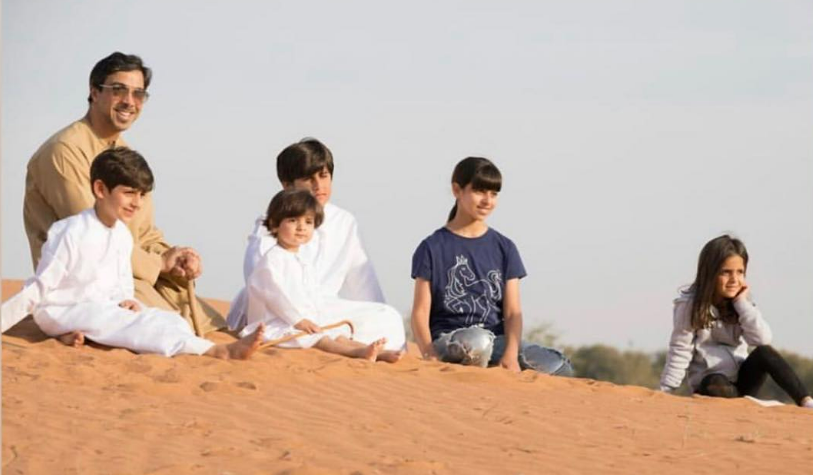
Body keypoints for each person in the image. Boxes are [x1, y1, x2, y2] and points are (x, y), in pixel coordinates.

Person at [22, 52, 225, 334]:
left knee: (217, 328)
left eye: (138, 93)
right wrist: (158, 263)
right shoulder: (64, 151)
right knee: (173, 333)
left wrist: (173, 257)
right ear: (94, 92)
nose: (130, 101)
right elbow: (95, 236)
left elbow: (144, 232)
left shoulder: (124, 155)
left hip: (137, 274)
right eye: (118, 90)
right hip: (90, 286)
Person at [3, 148, 263, 359]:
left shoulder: (121, 234)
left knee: (168, 319)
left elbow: (121, 282)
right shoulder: (69, 231)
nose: (137, 203)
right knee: (132, 326)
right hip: (61, 309)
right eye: (129, 193)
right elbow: (39, 289)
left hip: (102, 308)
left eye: (141, 195)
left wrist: (128, 300)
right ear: (100, 189)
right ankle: (217, 351)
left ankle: (77, 335)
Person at [227, 138, 405, 351]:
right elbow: (262, 281)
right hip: (277, 311)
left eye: (323, 175)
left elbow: (364, 282)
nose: (319, 186)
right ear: (287, 185)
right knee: (289, 326)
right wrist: (297, 317)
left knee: (388, 317)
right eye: (308, 178)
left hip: (323, 308)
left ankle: (353, 345)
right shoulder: (274, 221)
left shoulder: (344, 221)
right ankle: (337, 342)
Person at [409, 157, 573, 375]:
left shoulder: (505, 247)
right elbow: (420, 312)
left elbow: (513, 312)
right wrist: (429, 354)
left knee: (558, 366)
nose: (487, 200)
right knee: (477, 341)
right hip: (452, 341)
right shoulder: (431, 247)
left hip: (497, 342)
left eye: (494, 194)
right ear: (457, 190)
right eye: (479, 191)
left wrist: (511, 355)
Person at [241, 189, 403, 362]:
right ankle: (356, 353)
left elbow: (312, 294)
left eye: (308, 222)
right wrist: (298, 320)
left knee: (336, 334)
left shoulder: (302, 259)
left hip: (304, 320)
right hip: (277, 323)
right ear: (274, 224)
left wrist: (317, 317)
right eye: (293, 220)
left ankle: (372, 351)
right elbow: (275, 297)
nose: (301, 227)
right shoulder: (272, 260)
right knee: (318, 338)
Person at [660, 235, 813, 408]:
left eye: (740, 272)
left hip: (742, 382)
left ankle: (806, 402)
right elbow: (680, 350)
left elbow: (762, 339)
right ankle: (748, 404)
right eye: (726, 272)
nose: (734, 279)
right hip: (712, 385)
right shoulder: (690, 305)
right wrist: (666, 391)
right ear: (709, 273)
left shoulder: (742, 306)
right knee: (715, 380)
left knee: (765, 352)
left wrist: (741, 304)